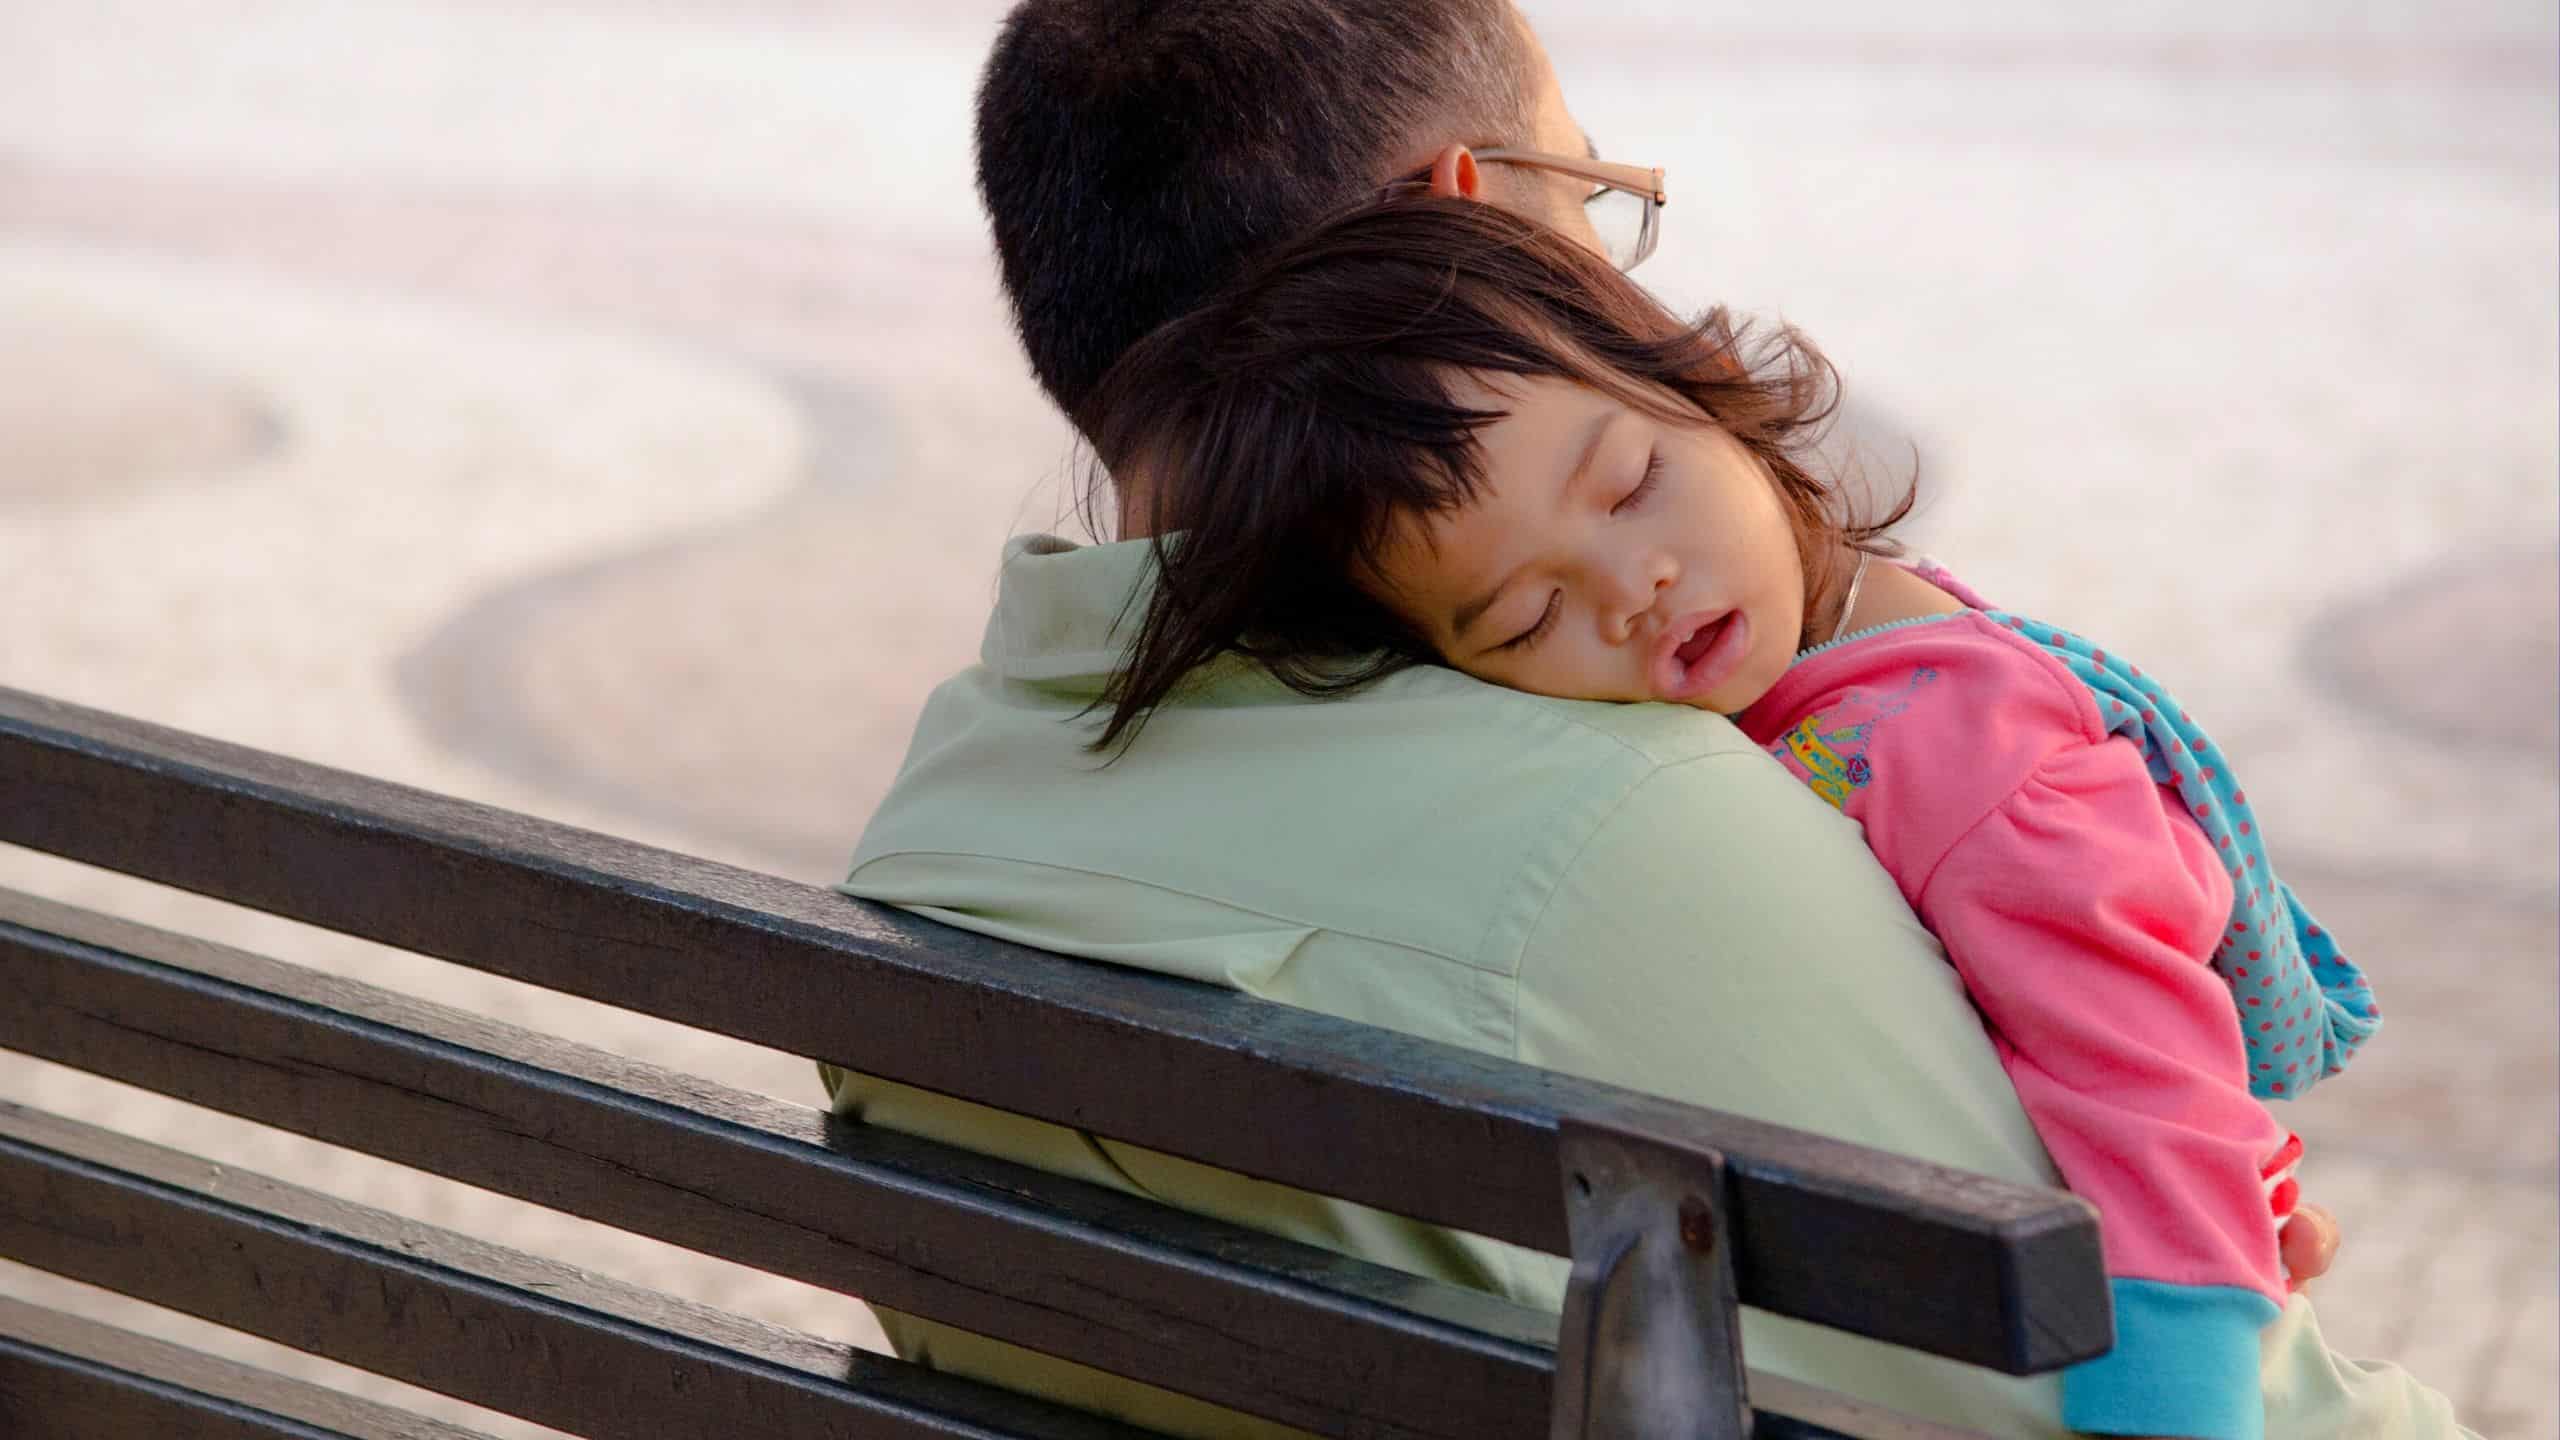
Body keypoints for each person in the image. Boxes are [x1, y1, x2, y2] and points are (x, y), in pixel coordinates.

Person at [829, 1, 2463, 1434]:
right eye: (1596, 202)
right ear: (1483, 232)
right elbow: (2139, 1393)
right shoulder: (1619, 828)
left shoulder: (945, 807)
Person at [1072, 195, 2391, 1440]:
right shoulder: (1794, 657)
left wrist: (2179, 1401)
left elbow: (2155, 1113)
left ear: (1708, 388)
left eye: (1632, 480)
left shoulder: (1974, 759)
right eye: (1529, 617)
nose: (1633, 584)